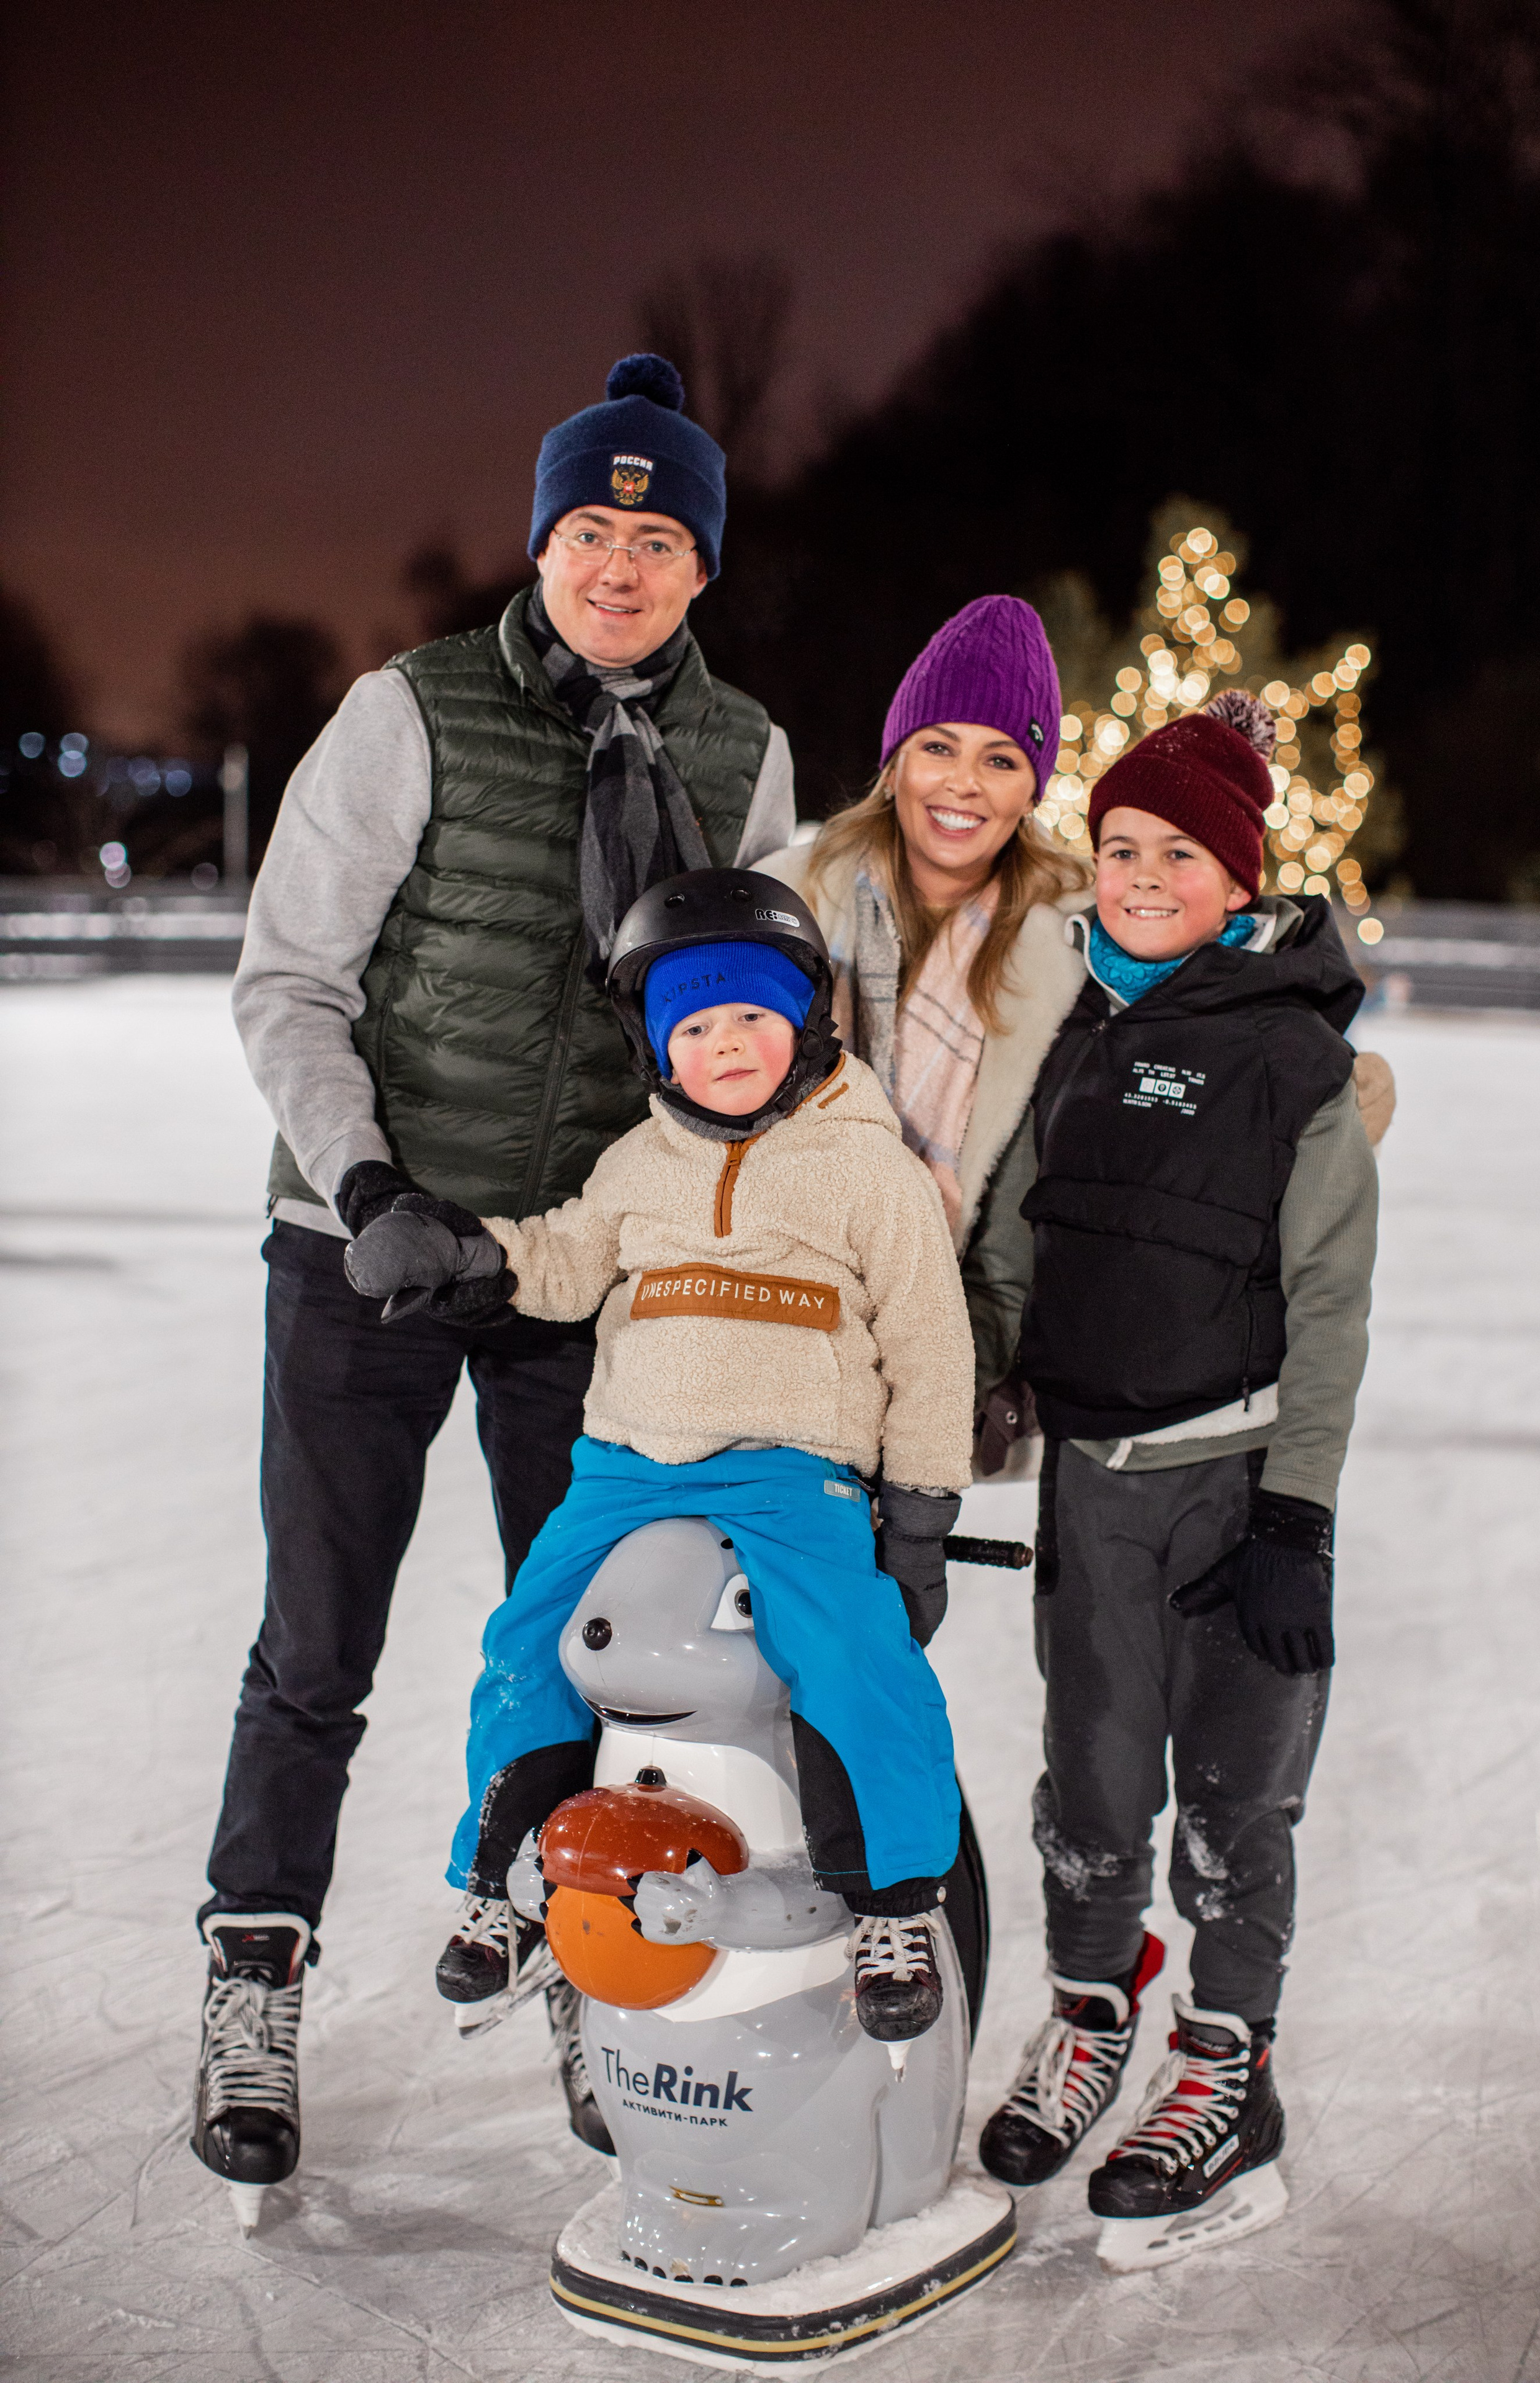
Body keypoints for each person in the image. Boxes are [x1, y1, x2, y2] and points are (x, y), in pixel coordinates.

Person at [191, 355, 797, 2201]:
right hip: (364, 1254)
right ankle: (254, 1970)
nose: (619, 563)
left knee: (598, 1660)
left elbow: (759, 1034)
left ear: (702, 566)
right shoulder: (410, 713)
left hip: (579, 1278)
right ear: (544, 541)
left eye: (658, 534)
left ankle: (587, 1959)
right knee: (319, 1649)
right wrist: (366, 1181)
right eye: (590, 528)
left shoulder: (746, 757)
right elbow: (291, 977)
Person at [343, 870, 976, 2040]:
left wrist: (922, 1509)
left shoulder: (868, 1170)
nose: (726, 1044)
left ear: (808, 1022)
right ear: (655, 1043)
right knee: (526, 1639)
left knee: (852, 1652)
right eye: (694, 1024)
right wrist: (465, 1254)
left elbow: (931, 1344)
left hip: (796, 1468)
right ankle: (507, 1882)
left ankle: (894, 1902)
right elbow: (569, 1259)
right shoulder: (639, 1163)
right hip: (626, 1468)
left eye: (752, 1016)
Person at [977, 691, 1378, 2269]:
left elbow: (1331, 1298)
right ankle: (1090, 2011)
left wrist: (1297, 1513)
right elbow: (1013, 1234)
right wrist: (991, 1378)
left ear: (1237, 875)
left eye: (1178, 852)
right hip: (1091, 1485)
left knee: (1229, 1800)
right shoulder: (1073, 1027)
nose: (1141, 875)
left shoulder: (1292, 1058)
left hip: (1233, 1494)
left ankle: (1226, 2066)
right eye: (1120, 845)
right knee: (1087, 1784)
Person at [761, 595, 1092, 1434]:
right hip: (767, 1311)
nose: (962, 785)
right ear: (896, 762)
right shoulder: (793, 894)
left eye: (1000, 759)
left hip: (949, 1334)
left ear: (1032, 786)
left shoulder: (1079, 935)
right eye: (938, 747)